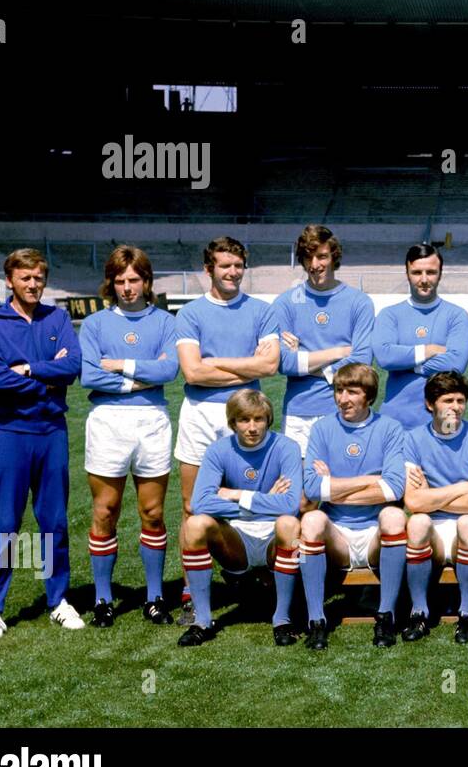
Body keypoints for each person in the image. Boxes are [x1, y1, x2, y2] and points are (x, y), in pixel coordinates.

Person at [0, 248, 85, 639]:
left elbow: (73, 368)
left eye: (38, 277)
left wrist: (30, 369)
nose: (33, 284)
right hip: (9, 433)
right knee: (5, 524)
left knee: (53, 521)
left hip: (51, 432)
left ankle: (58, 601)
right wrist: (47, 378)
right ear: (10, 281)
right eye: (25, 278)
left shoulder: (57, 318)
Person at [173, 236, 281, 626]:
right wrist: (246, 365)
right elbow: (193, 371)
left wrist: (216, 362)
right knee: (192, 505)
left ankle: (257, 571)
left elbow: (269, 367)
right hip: (200, 415)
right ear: (209, 270)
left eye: (238, 266)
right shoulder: (190, 313)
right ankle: (191, 593)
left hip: (250, 413)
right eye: (224, 266)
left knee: (258, 494)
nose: (232, 272)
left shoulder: (262, 311)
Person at [79, 245, 179, 627]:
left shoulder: (166, 323)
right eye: (119, 281)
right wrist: (138, 382)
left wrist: (120, 367)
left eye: (134, 280)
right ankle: (103, 599)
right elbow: (89, 375)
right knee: (105, 511)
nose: (127, 288)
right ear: (111, 283)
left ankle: (154, 597)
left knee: (152, 513)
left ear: (147, 281)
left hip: (152, 420)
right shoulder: (94, 325)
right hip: (107, 421)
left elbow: (169, 370)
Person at [177, 390, 304, 647]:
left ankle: (282, 619)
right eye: (244, 420)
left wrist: (237, 495)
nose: (252, 427)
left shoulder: (287, 447)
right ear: (232, 422)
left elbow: (291, 505)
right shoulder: (218, 450)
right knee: (195, 523)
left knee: (289, 523)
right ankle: (202, 621)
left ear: (268, 419)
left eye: (259, 419)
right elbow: (200, 502)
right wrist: (264, 501)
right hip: (236, 539)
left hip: (274, 537)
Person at [298, 364, 408, 650]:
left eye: (352, 392)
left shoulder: (390, 428)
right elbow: (312, 489)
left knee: (395, 515)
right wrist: (369, 481)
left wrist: (333, 485)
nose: (343, 398)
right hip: (338, 534)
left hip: (375, 533)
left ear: (368, 396)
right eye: (339, 390)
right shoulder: (322, 429)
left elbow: (394, 488)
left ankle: (386, 616)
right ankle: (316, 621)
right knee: (310, 521)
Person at [401, 371, 468, 644]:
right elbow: (413, 502)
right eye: (447, 400)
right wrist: (462, 487)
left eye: (460, 400)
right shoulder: (413, 439)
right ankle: (419, 612)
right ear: (430, 404)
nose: (455, 407)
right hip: (433, 531)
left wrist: (432, 495)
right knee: (416, 523)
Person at [271, 225, 376, 455]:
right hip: (299, 410)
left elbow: (361, 363)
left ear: (334, 257)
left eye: (322, 256)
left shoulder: (359, 302)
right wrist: (338, 352)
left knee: (341, 482)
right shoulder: (285, 303)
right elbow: (284, 363)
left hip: (346, 408)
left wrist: (304, 359)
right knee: (299, 485)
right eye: (308, 257)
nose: (315, 264)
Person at [372, 244, 468, 430]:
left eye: (431, 272)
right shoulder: (389, 315)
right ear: (407, 273)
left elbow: (456, 364)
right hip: (396, 421)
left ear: (440, 273)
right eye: (417, 272)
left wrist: (406, 364)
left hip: (443, 423)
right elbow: (384, 357)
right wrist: (429, 350)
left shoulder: (457, 315)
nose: (424, 279)